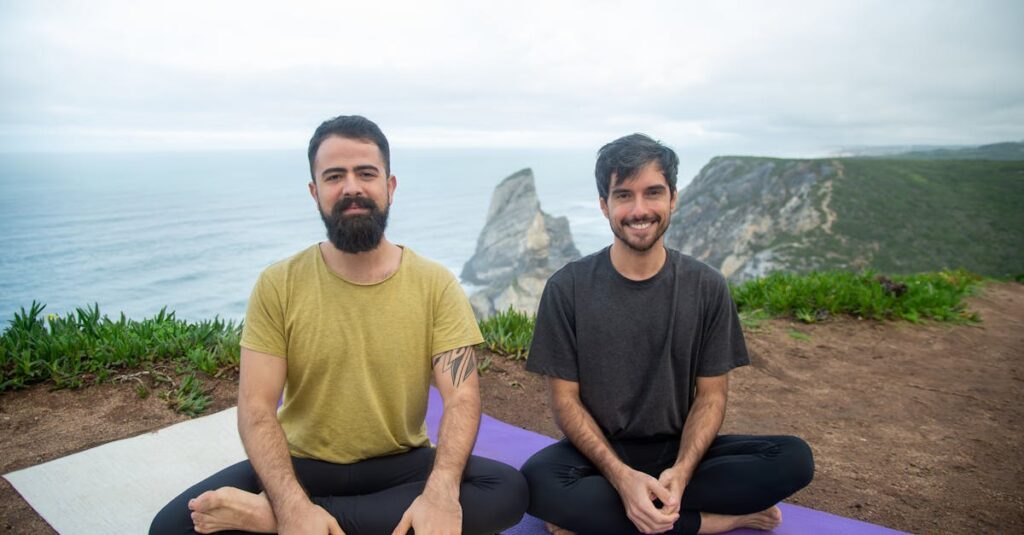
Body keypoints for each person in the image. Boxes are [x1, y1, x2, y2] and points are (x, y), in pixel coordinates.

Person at [150, 115, 528, 535]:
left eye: (366, 173)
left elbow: (461, 397)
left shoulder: (434, 283)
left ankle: (273, 521)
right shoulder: (279, 283)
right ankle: (315, 518)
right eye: (334, 176)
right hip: (301, 466)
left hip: (402, 466)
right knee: (170, 528)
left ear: (390, 186)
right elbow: (256, 407)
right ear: (315, 192)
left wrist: (439, 492)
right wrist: (292, 505)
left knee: (505, 489)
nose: (351, 187)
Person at [520, 134, 814, 535]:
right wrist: (622, 478)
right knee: (536, 483)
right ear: (604, 205)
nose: (639, 210)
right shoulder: (567, 288)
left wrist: (684, 471)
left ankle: (605, 517)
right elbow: (565, 403)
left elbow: (712, 396)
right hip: (600, 456)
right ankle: (716, 521)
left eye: (653, 193)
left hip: (680, 452)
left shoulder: (706, 286)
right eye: (624, 195)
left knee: (794, 459)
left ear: (673, 198)